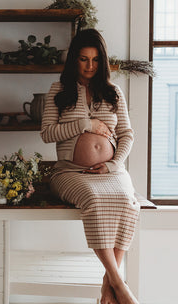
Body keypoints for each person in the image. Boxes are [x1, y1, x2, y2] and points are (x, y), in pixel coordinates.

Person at [40, 29, 140, 304]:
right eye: (83, 59)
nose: (90, 66)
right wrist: (85, 124)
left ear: (103, 62)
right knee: (94, 200)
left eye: (96, 60)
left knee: (128, 202)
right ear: (74, 60)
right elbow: (48, 133)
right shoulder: (58, 91)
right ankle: (119, 285)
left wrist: (113, 164)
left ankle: (108, 288)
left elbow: (127, 135)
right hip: (70, 172)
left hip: (111, 172)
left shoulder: (114, 92)